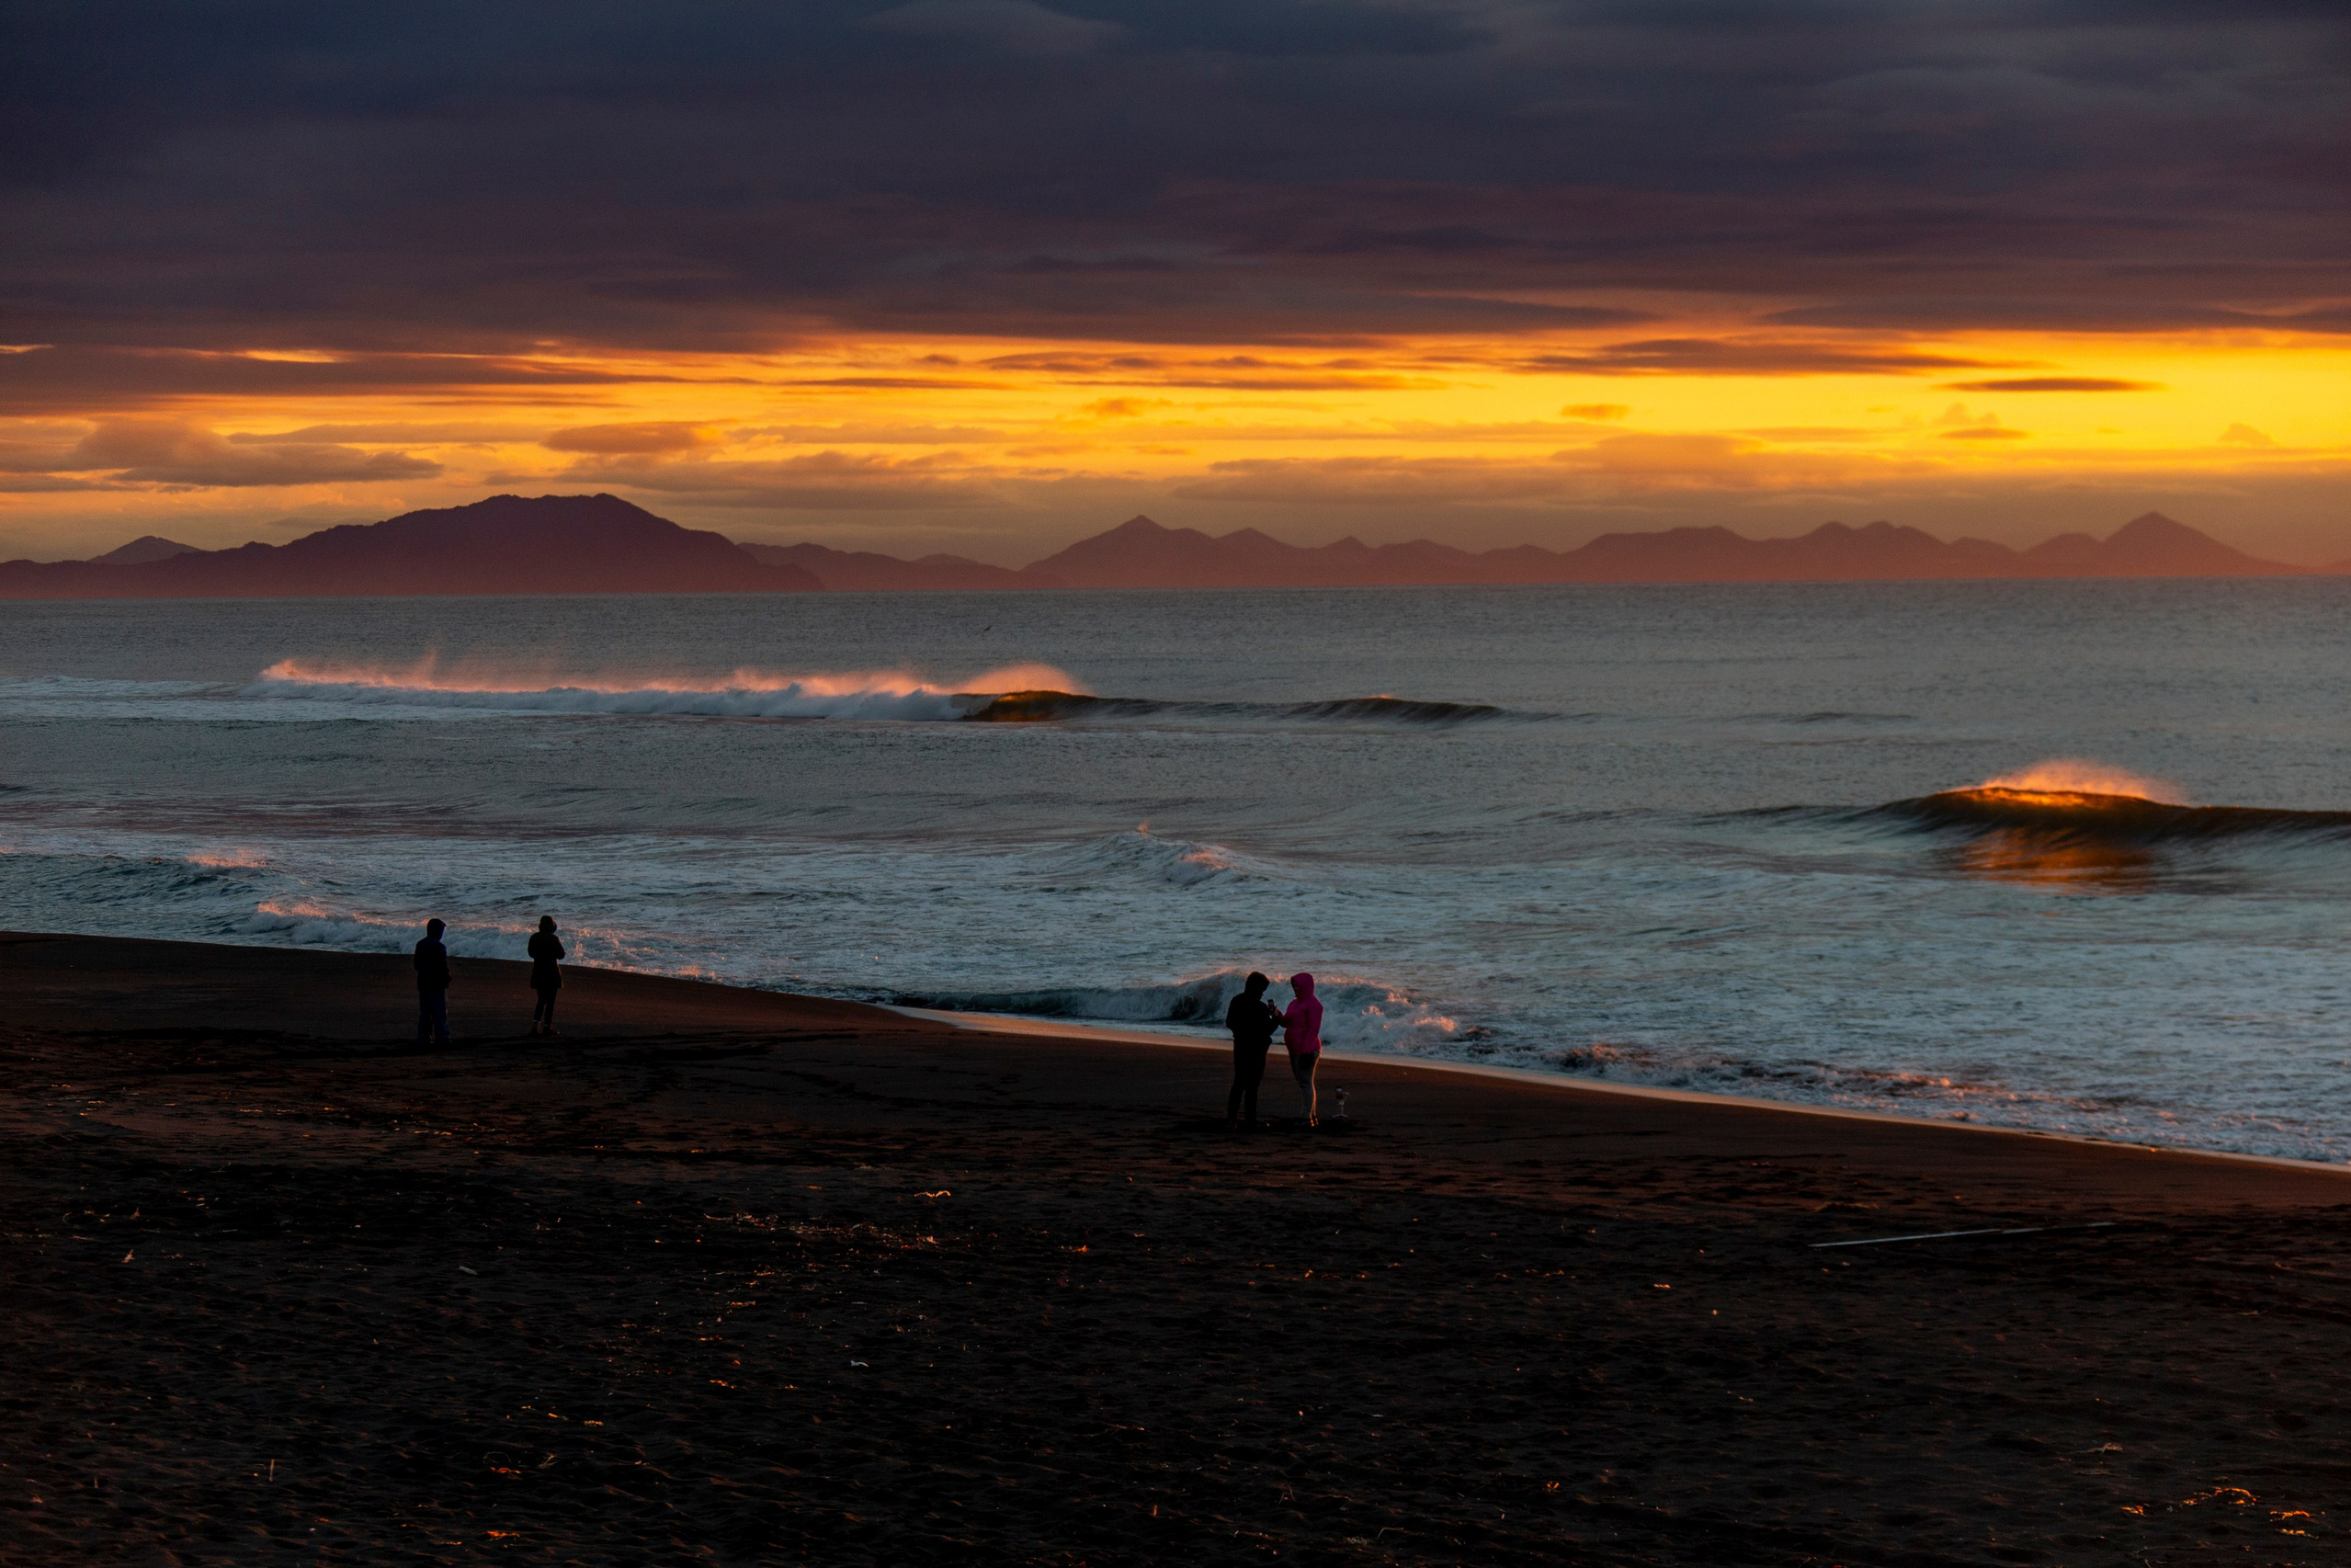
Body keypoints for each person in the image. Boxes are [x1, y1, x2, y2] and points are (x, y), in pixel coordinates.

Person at [1222, 971, 1279, 1126]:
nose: (1262, 994)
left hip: (1240, 1046)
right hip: (1257, 1049)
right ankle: (1250, 1119)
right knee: (1252, 1086)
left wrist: (1239, 1032)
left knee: (1239, 1083)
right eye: (1262, 990)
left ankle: (1231, 1118)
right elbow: (1268, 1030)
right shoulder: (1260, 1008)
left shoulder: (1236, 1000)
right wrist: (1275, 1017)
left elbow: (1229, 1022)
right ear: (1257, 988)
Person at [1281, 971, 1324, 1126]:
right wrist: (1277, 1015)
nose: (1295, 988)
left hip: (1308, 1050)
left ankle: (1307, 1117)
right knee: (1303, 1082)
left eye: (1298, 985)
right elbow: (1286, 1022)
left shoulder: (1314, 1005)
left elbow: (1313, 1030)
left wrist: (1305, 1050)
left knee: (1306, 1082)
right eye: (1294, 986)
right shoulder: (1294, 1004)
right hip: (1294, 1050)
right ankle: (1311, 1114)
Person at [414, 918, 451, 1045]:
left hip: (423, 985)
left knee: (425, 1014)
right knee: (439, 1014)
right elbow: (443, 967)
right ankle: (442, 1038)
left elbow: (416, 965)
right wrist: (447, 979)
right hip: (437, 986)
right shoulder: (439, 947)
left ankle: (423, 1038)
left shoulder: (420, 944)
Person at [527, 915, 565, 1036]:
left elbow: (531, 953)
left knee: (541, 1000)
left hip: (538, 972)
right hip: (552, 973)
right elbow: (561, 955)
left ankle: (535, 1026)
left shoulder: (534, 938)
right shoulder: (554, 939)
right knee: (550, 1001)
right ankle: (547, 1027)